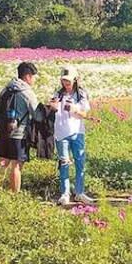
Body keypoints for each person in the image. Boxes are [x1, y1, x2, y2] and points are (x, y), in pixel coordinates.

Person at [0, 62, 43, 193]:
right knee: (16, 166)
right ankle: (14, 194)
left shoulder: (6, 88)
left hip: (4, 132)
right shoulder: (26, 92)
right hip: (19, 134)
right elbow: (37, 115)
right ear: (27, 76)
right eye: (34, 76)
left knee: (3, 162)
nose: (34, 79)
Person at [49, 66, 93, 205]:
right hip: (61, 134)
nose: (66, 83)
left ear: (75, 79)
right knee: (64, 163)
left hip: (77, 132)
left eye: (68, 80)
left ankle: (79, 192)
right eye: (63, 80)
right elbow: (53, 110)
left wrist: (75, 109)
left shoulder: (81, 94)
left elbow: (85, 114)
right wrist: (53, 107)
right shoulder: (58, 94)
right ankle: (65, 193)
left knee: (80, 162)